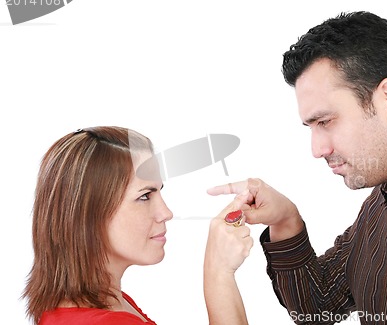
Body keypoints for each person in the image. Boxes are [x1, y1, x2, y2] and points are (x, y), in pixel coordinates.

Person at [208, 11, 387, 324]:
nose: (318, 150)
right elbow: (317, 308)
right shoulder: (381, 205)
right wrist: (285, 221)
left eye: (325, 121)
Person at [23, 126, 253, 325]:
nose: (166, 213)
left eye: (159, 192)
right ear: (88, 214)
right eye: (145, 197)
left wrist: (286, 222)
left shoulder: (110, 303)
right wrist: (218, 271)